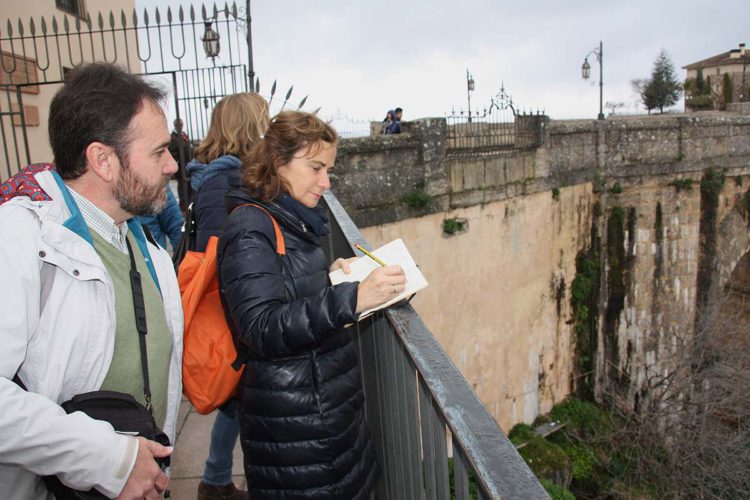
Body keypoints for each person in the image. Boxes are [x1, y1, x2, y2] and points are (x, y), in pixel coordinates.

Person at [0, 63, 184, 499]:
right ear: (102, 160)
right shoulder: (19, 240)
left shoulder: (141, 239)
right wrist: (110, 459)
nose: (172, 165)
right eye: (158, 152)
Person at [218, 111, 407, 498]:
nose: (326, 181)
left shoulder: (291, 217)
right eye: (316, 167)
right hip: (296, 428)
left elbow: (284, 289)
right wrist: (351, 298)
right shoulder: (250, 226)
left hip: (322, 417)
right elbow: (260, 327)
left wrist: (330, 277)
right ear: (277, 161)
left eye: (329, 169)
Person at [186, 92, 269, 500]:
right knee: (242, 399)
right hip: (236, 304)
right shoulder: (226, 180)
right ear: (249, 126)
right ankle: (218, 481)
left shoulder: (217, 175)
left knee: (236, 402)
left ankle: (215, 480)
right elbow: (217, 249)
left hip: (233, 299)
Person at [169, 118, 194, 211]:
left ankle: (188, 202)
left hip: (188, 164)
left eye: (181, 124)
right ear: (175, 125)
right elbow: (172, 153)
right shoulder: (173, 138)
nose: (180, 126)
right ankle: (183, 205)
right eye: (179, 125)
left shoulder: (183, 135)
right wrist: (178, 164)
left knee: (188, 185)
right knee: (182, 185)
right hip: (181, 167)